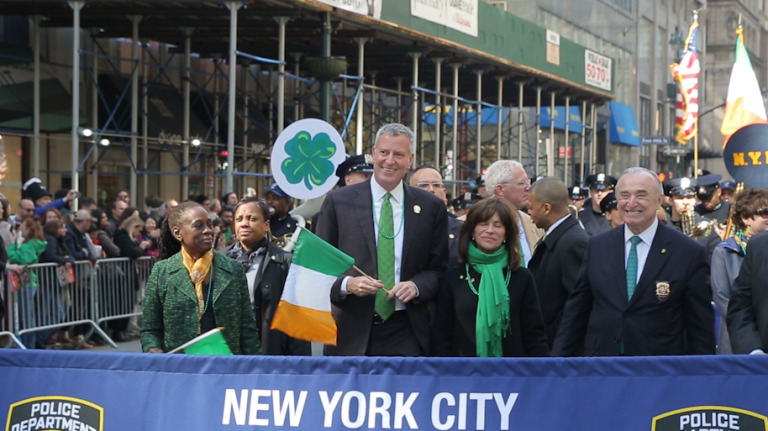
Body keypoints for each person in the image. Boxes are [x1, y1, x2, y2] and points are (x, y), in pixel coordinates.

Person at [315, 123, 448, 356]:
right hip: (350, 332)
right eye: (384, 153)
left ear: (410, 160)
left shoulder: (430, 207)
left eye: (398, 155)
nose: (389, 161)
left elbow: (439, 269)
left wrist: (416, 286)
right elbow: (318, 267)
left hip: (408, 329)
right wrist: (348, 285)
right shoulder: (339, 202)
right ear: (374, 153)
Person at [552, 167, 714, 356]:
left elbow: (700, 327)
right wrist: (558, 364)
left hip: (659, 371)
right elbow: (576, 313)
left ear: (659, 201)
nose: (631, 203)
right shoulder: (597, 247)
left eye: (641, 195)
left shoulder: (687, 252)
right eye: (624, 195)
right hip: (603, 366)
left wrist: (703, 376)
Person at [432, 198, 549, 357]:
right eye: (483, 224)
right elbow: (441, 335)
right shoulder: (452, 278)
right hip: (462, 373)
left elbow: (534, 334)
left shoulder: (522, 277)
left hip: (512, 374)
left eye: (498, 225)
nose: (490, 230)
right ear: (472, 231)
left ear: (507, 233)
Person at [141, 202, 260, 354]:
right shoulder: (162, 271)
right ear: (178, 233)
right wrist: (153, 348)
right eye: (198, 226)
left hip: (226, 367)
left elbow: (247, 329)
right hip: (180, 369)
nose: (208, 231)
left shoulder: (233, 269)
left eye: (209, 225)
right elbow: (150, 328)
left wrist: (255, 367)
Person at [225, 197, 310, 355]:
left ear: (266, 225)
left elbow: (298, 321)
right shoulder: (218, 259)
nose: (244, 223)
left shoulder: (285, 263)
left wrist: (299, 366)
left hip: (268, 353)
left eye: (252, 218)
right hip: (227, 354)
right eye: (239, 219)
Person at [527, 177, 589, 345]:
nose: (529, 213)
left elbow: (577, 304)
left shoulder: (574, 242)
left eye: (531, 207)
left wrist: (555, 340)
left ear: (546, 208)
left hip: (559, 349)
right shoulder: (561, 237)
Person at [712, 189, 768, 354]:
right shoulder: (725, 251)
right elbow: (724, 298)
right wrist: (751, 339)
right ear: (745, 218)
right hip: (739, 337)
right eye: (764, 212)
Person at [484, 159, 544, 266]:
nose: (528, 188)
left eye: (528, 182)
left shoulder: (534, 223)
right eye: (522, 183)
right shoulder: (466, 223)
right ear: (500, 189)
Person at [410, 165, 462, 267]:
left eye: (436, 185)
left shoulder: (462, 229)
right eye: (423, 185)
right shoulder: (399, 227)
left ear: (444, 192)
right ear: (409, 191)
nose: (431, 190)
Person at [8, 218, 47, 348]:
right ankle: (28, 345)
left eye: (23, 227)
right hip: (30, 283)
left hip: (26, 284)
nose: (20, 230)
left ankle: (28, 346)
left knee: (25, 318)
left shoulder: (29, 245)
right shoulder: (35, 243)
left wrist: (13, 245)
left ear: (29, 230)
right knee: (27, 316)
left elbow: (19, 258)